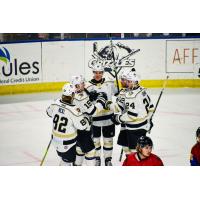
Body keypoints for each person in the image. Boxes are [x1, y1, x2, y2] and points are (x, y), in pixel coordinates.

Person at [46, 83, 89, 166]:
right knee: (67, 161)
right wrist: (86, 118)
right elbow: (83, 126)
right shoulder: (74, 110)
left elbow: (48, 113)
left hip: (55, 141)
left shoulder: (55, 103)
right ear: (72, 94)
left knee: (65, 159)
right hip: (68, 144)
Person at [112, 72, 154, 154]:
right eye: (126, 80)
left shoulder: (131, 95)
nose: (126, 83)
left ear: (135, 82)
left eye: (129, 81)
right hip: (142, 125)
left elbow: (132, 116)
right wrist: (148, 120)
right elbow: (151, 108)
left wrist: (118, 118)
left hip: (134, 128)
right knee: (137, 151)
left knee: (135, 152)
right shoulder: (142, 90)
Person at [70, 75, 108, 166]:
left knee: (79, 149)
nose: (84, 85)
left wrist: (89, 97)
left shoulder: (70, 94)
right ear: (77, 85)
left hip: (74, 128)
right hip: (83, 129)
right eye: (82, 83)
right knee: (91, 152)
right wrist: (101, 101)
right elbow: (93, 111)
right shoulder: (81, 98)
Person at [85, 63, 118, 166]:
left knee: (108, 140)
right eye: (96, 72)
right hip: (95, 119)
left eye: (100, 72)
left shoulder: (110, 83)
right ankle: (97, 158)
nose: (98, 75)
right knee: (95, 141)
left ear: (103, 73)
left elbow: (117, 93)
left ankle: (108, 159)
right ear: (93, 72)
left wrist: (118, 81)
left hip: (109, 118)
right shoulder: (88, 86)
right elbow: (85, 101)